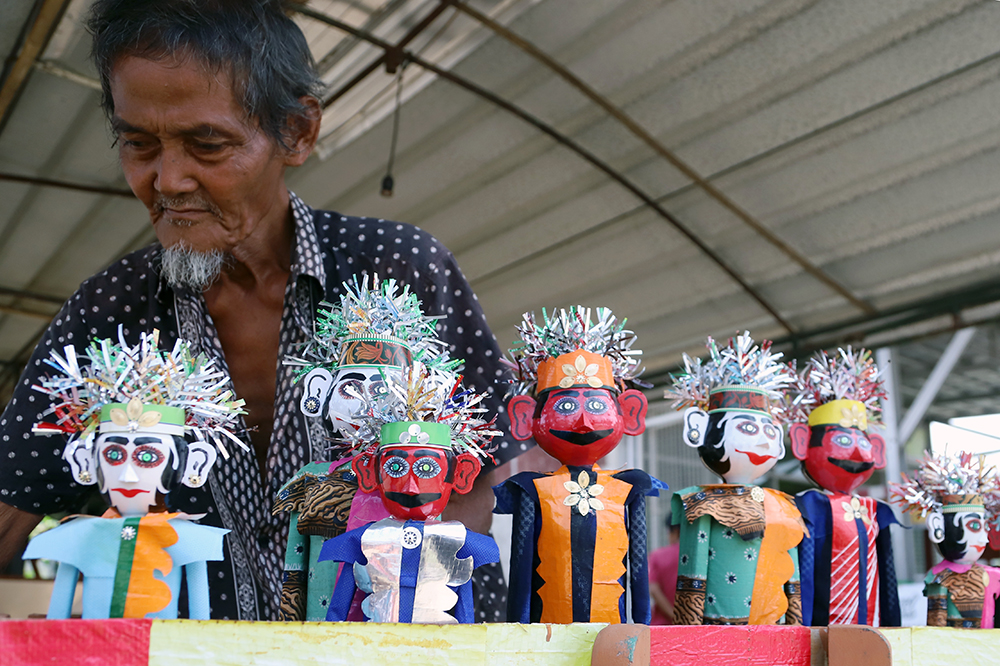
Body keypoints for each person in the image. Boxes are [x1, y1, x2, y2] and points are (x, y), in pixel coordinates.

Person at [0, 0, 514, 621]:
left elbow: (472, 476)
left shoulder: (399, 269)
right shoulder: (110, 314)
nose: (167, 180)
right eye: (138, 144)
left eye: (207, 145)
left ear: (296, 132)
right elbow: (12, 500)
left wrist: (412, 626)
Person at [494, 306, 660, 624]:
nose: (584, 421)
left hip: (612, 636)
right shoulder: (532, 488)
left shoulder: (629, 485)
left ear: (629, 412)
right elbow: (521, 572)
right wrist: (518, 630)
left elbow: (639, 573)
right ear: (526, 417)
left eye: (596, 405)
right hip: (545, 636)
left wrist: (642, 629)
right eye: (566, 405)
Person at [665, 332, 806, 626]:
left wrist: (795, 627)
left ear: (780, 442)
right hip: (716, 630)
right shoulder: (700, 502)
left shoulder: (784, 506)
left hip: (773, 629)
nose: (762, 442)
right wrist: (689, 634)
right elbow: (692, 575)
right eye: (746, 428)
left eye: (768, 432)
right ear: (699, 429)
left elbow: (791, 575)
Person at [788, 348, 900, 627]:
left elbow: (888, 573)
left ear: (877, 450)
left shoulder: (875, 510)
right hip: (817, 627)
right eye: (842, 441)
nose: (858, 455)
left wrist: (892, 624)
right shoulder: (805, 506)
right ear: (802, 443)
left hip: (871, 625)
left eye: (863, 444)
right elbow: (799, 569)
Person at [648, 517, 680, 625]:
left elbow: (654, 589)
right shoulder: (702, 557)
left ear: (674, 531)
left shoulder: (658, 556)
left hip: (662, 625)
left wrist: (673, 615)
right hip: (697, 627)